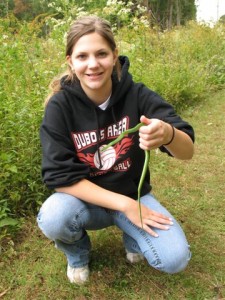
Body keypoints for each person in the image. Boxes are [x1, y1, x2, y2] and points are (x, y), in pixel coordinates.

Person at [37, 15, 195, 285]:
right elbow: (59, 177)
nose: (93, 64)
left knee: (175, 259)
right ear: (70, 62)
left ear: (114, 56)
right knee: (53, 217)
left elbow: (187, 151)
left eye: (101, 54)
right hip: (86, 203)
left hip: (133, 194)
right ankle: (77, 254)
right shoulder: (60, 107)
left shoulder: (137, 94)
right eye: (82, 56)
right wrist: (126, 205)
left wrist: (167, 134)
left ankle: (132, 235)